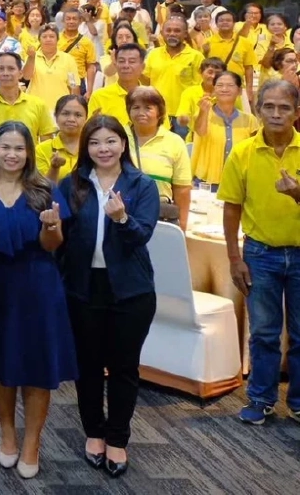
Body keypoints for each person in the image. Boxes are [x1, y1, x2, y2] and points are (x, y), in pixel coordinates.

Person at [55, 114, 159, 478]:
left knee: (124, 367)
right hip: (83, 288)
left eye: (110, 141)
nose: (103, 148)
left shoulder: (141, 185)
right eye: (96, 142)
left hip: (130, 290)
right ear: (86, 147)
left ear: (123, 144)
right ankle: (94, 432)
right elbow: (59, 240)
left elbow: (140, 237)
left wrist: (122, 219)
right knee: (87, 366)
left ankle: (117, 438)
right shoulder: (73, 184)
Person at [0, 122, 76, 480]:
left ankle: (32, 441)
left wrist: (50, 227)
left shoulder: (46, 190)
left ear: (29, 152)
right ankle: (7, 434)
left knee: (36, 368)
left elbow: (54, 245)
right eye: (5, 147)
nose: (12, 154)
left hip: (37, 286)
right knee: (1, 366)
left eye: (19, 148)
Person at [219, 79, 300, 425]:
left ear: (296, 112)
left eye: (284, 108)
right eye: (269, 106)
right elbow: (231, 208)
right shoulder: (243, 152)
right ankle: (262, 398)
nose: (277, 114)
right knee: (264, 332)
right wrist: (234, 258)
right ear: (259, 109)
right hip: (260, 254)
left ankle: (297, 401)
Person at [126, 85, 192, 228]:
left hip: (160, 218)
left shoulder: (175, 142)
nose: (141, 113)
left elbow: (182, 189)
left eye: (148, 108)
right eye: (136, 107)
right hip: (122, 216)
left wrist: (182, 227)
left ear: (160, 113)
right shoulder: (118, 136)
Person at [0, 52, 54, 154]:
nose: (5, 73)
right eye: (1, 69)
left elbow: (47, 144)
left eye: (11, 69)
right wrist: (13, 144)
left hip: (30, 166)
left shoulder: (38, 104)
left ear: (20, 73)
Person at [191, 70, 258, 190]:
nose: (224, 89)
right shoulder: (203, 113)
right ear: (214, 89)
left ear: (239, 91)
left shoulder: (250, 120)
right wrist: (203, 112)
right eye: (220, 85)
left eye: (230, 85)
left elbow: (254, 152)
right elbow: (200, 132)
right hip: (206, 182)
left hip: (237, 182)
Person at [38, 94, 89, 182]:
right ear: (56, 117)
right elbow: (41, 188)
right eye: (65, 114)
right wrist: (54, 168)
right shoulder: (42, 149)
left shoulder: (92, 147)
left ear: (86, 119)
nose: (71, 119)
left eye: (78, 115)